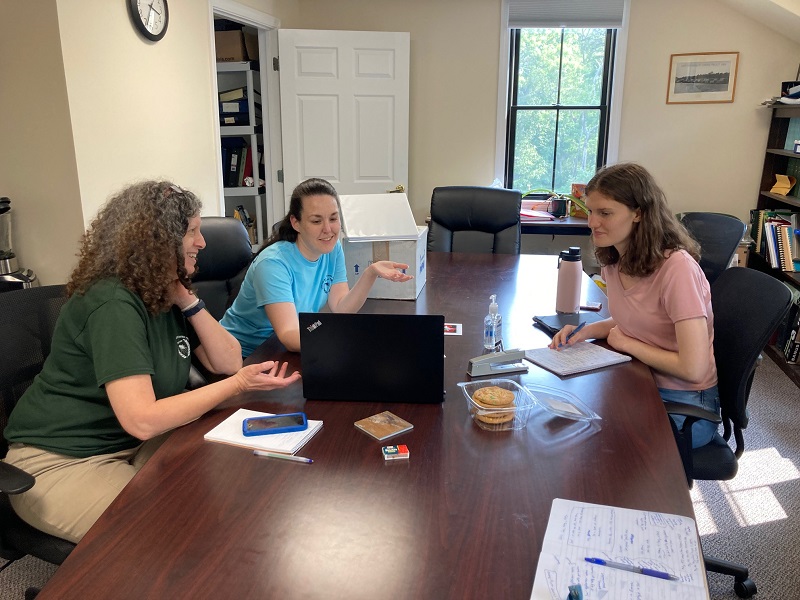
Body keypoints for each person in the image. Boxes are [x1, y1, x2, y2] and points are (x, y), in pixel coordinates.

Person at [3, 181, 301, 543]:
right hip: (61, 461)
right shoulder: (114, 303)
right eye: (192, 232)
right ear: (159, 241)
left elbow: (228, 361)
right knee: (168, 534)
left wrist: (188, 301)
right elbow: (142, 419)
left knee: (231, 479)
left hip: (130, 443)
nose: (202, 243)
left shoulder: (162, 295)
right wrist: (237, 386)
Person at [549, 163, 719, 447]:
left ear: (639, 213)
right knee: (560, 416)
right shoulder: (615, 259)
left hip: (685, 405)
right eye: (590, 211)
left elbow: (694, 368)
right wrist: (587, 331)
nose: (592, 222)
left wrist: (626, 344)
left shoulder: (677, 269)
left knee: (589, 441)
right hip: (639, 380)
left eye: (605, 213)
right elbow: (637, 317)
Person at [221, 177, 413, 355]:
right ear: (296, 223)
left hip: (283, 350)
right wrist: (347, 340)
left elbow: (341, 308)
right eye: (316, 221)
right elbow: (289, 334)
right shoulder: (273, 263)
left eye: (333, 218)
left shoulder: (332, 248)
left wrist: (370, 273)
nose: (328, 229)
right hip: (245, 355)